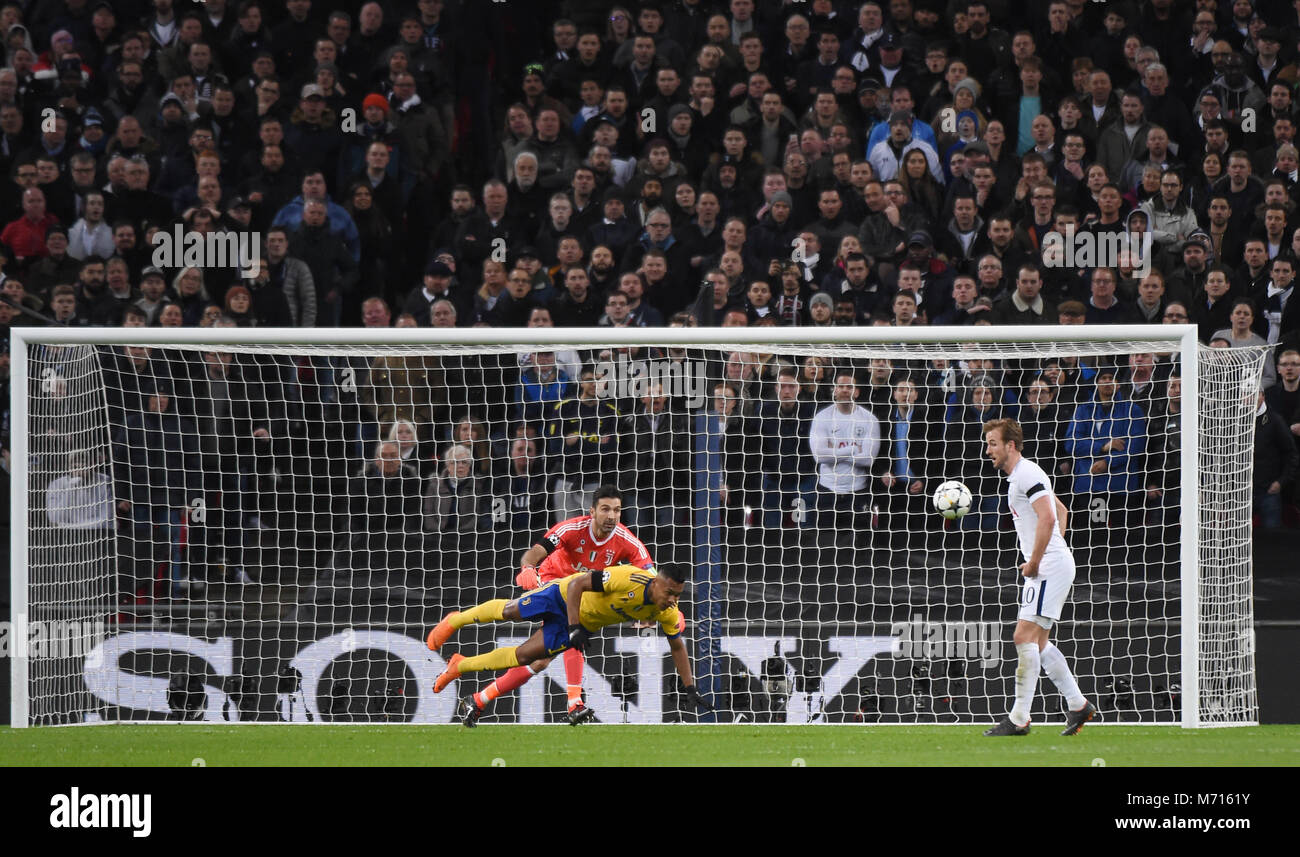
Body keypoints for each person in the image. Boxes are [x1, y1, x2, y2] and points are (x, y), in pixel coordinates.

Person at [455, 486, 652, 726]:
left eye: (617, 510)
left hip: (583, 590)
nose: (611, 516)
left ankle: (477, 700)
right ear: (592, 511)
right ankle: (574, 703)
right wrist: (528, 569)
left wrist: (653, 609)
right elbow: (533, 554)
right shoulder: (571, 528)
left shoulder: (627, 540)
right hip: (553, 581)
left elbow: (651, 580)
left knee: (539, 661)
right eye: (605, 509)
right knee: (571, 626)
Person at [428, 560, 712, 723]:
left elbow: (677, 645)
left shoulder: (667, 612)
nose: (674, 600)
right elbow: (578, 584)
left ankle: (460, 666)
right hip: (561, 595)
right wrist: (575, 626)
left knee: (526, 657)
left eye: (678, 596)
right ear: (657, 583)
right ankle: (456, 619)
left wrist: (689, 686)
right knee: (510, 612)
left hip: (579, 625)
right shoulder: (628, 578)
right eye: (671, 593)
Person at [982, 418, 1097, 737]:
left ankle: (1019, 719)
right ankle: (1078, 705)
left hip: (1047, 565)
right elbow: (1062, 512)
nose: (988, 450)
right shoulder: (1022, 476)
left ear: (1010, 445)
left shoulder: (1027, 474)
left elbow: (1049, 516)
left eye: (993, 443)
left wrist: (1036, 560)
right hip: (1051, 561)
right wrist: (1051, 550)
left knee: (1023, 637)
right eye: (987, 443)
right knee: (1039, 640)